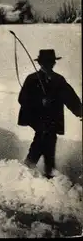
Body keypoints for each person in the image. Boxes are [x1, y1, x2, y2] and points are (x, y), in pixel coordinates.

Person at [17, 49, 82, 179]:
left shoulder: (59, 80)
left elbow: (70, 98)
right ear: (40, 63)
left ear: (53, 63)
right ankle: (29, 169)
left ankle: (45, 173)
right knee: (42, 138)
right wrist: (39, 101)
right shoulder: (32, 79)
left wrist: (80, 112)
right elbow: (22, 99)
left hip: (53, 120)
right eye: (45, 62)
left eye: (50, 62)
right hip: (37, 119)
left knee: (49, 143)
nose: (48, 65)